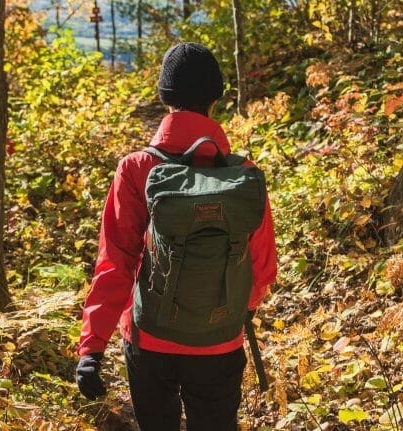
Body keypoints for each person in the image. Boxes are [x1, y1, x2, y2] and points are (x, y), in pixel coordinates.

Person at [74, 42, 277, 431]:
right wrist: (231, 308)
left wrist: (92, 349)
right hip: (221, 341)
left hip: (150, 340)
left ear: (165, 99)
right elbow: (263, 267)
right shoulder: (245, 174)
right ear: (215, 100)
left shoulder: (137, 168)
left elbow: (116, 264)